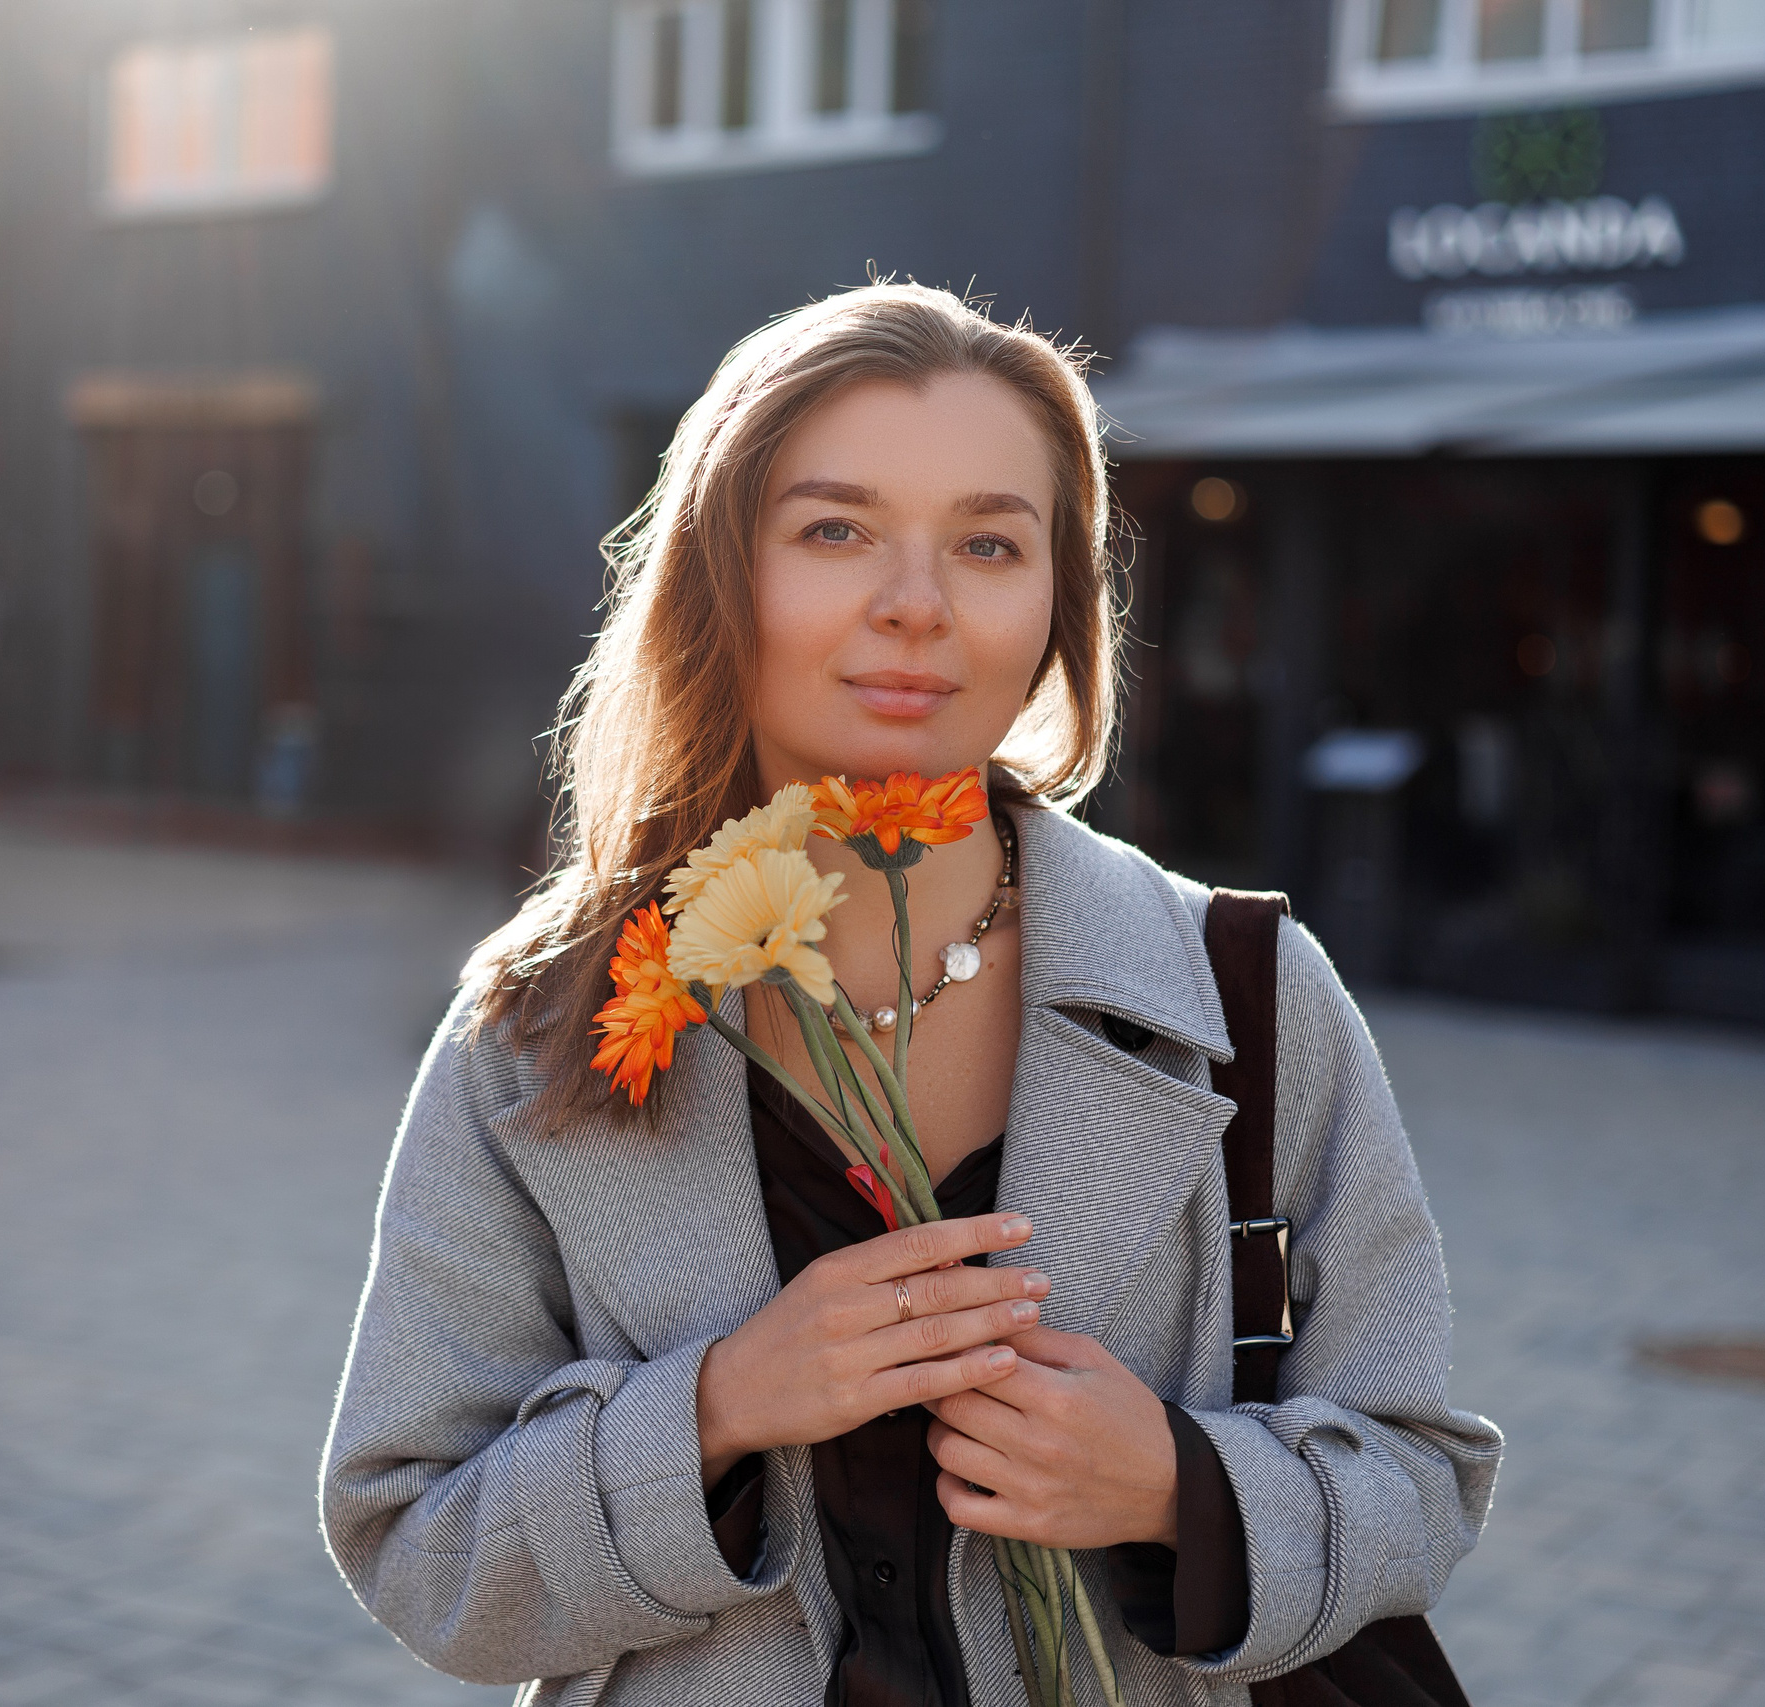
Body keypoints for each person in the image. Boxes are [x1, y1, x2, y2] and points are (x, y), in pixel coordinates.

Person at [320, 284, 1501, 1707]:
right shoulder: (540, 1026)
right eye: (836, 530)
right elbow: (414, 1541)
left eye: (991, 545)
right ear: (717, 572)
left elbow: (1423, 1476)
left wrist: (1177, 1488)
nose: (917, 608)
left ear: (1057, 605)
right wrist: (713, 1412)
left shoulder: (1244, 994)